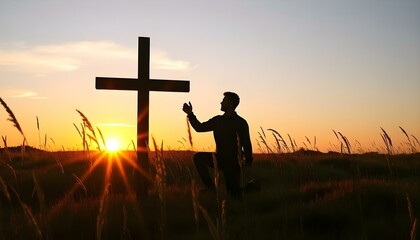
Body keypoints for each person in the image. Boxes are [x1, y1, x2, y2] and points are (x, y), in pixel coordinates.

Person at [182, 92, 253, 197]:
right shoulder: (217, 120)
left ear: (231, 104)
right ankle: (211, 188)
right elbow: (199, 128)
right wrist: (190, 114)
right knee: (198, 157)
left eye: (224, 101)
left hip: (234, 163)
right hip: (219, 159)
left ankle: (252, 187)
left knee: (233, 194)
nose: (221, 102)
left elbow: (247, 144)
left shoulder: (241, 122)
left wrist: (248, 164)